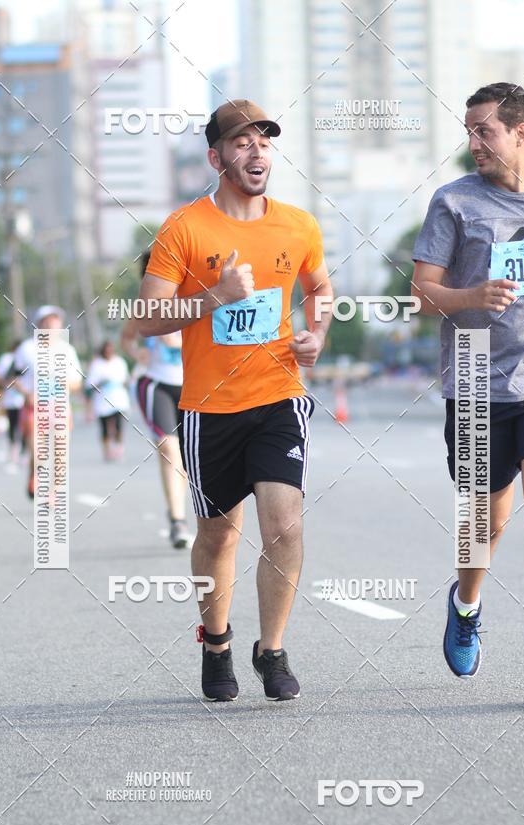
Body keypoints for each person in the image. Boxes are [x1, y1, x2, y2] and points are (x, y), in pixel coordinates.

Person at [138, 99, 333, 701]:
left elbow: (320, 287)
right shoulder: (184, 228)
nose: (257, 153)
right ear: (215, 156)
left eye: (265, 143)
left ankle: (271, 650)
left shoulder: (297, 224)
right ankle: (217, 640)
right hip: (208, 408)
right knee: (220, 535)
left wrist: (316, 335)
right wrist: (213, 297)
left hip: (278, 397)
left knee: (285, 526)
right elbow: (148, 316)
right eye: (242, 143)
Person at [412, 82, 524, 702]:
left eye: (485, 131)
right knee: (485, 524)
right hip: (475, 374)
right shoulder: (455, 203)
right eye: (469, 131)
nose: (473, 142)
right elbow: (422, 296)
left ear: (520, 132)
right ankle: (467, 603)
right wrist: (471, 297)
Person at [121, 251, 189, 549]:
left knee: (189, 459)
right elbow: (127, 338)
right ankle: (177, 521)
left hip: (193, 387)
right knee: (168, 449)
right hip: (157, 384)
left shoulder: (196, 299)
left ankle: (191, 514)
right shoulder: (145, 306)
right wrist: (137, 353)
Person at [13, 305, 82, 498]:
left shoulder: (67, 350)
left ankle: (54, 493)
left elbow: (77, 382)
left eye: (56, 321)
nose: (52, 326)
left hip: (59, 407)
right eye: (48, 322)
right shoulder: (27, 349)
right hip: (34, 407)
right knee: (38, 452)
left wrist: (66, 384)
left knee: (60, 453)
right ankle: (35, 473)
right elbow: (12, 378)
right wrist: (26, 393)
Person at [87, 340, 130, 461]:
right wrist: (101, 383)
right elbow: (90, 384)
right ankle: (107, 452)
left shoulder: (120, 362)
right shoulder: (97, 364)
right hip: (102, 401)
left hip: (119, 400)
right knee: (105, 428)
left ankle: (119, 450)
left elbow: (125, 379)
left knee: (119, 426)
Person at [0, 340, 25, 463]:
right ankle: (15, 450)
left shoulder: (26, 358)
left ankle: (22, 450)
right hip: (11, 399)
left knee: (22, 426)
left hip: (23, 399)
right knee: (14, 425)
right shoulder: (6, 359)